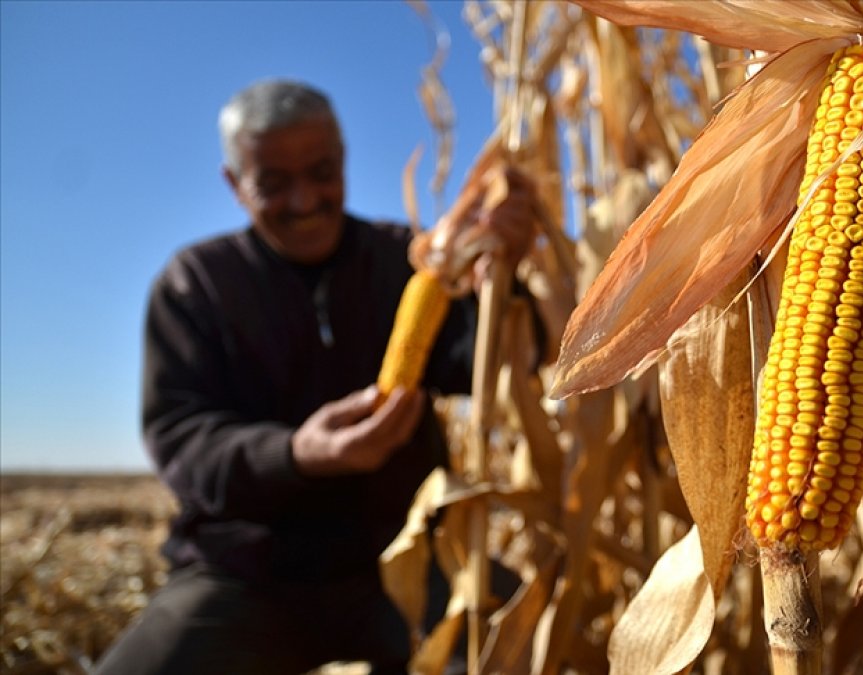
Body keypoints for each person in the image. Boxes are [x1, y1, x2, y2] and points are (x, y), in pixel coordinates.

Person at [94, 79, 538, 675]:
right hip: (246, 572)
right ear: (234, 183)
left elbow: (500, 363)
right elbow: (182, 439)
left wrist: (504, 280)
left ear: (344, 159)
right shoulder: (195, 284)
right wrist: (296, 454)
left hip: (405, 555)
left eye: (322, 172)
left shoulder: (401, 258)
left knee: (521, 650)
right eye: (273, 184)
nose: (304, 201)